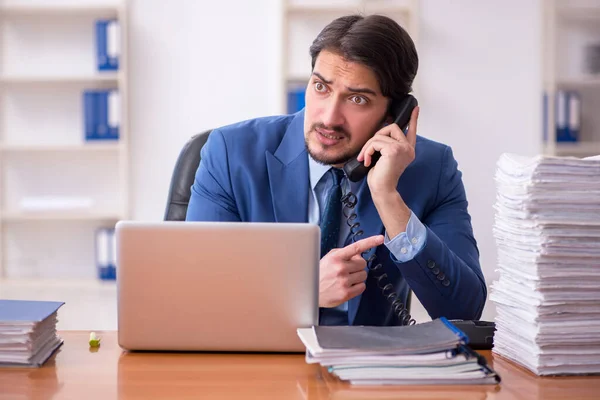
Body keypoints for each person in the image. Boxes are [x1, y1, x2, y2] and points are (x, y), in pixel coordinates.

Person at [185, 14, 486, 326]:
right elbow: (196, 291)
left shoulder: (431, 168)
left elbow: (464, 310)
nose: (329, 118)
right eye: (321, 87)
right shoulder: (231, 152)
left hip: (372, 366)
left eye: (357, 99)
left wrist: (387, 196)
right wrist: (304, 291)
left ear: (394, 114)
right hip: (258, 359)